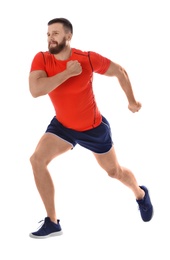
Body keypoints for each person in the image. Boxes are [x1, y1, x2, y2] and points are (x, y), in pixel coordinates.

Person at [29, 18, 153, 239]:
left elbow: (119, 71)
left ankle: (141, 194)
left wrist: (132, 101)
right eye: (48, 34)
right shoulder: (41, 59)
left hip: (93, 128)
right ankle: (53, 222)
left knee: (114, 172)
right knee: (37, 160)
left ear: (68, 37)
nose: (50, 38)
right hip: (63, 127)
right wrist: (67, 73)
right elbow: (36, 90)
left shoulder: (86, 58)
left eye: (55, 33)